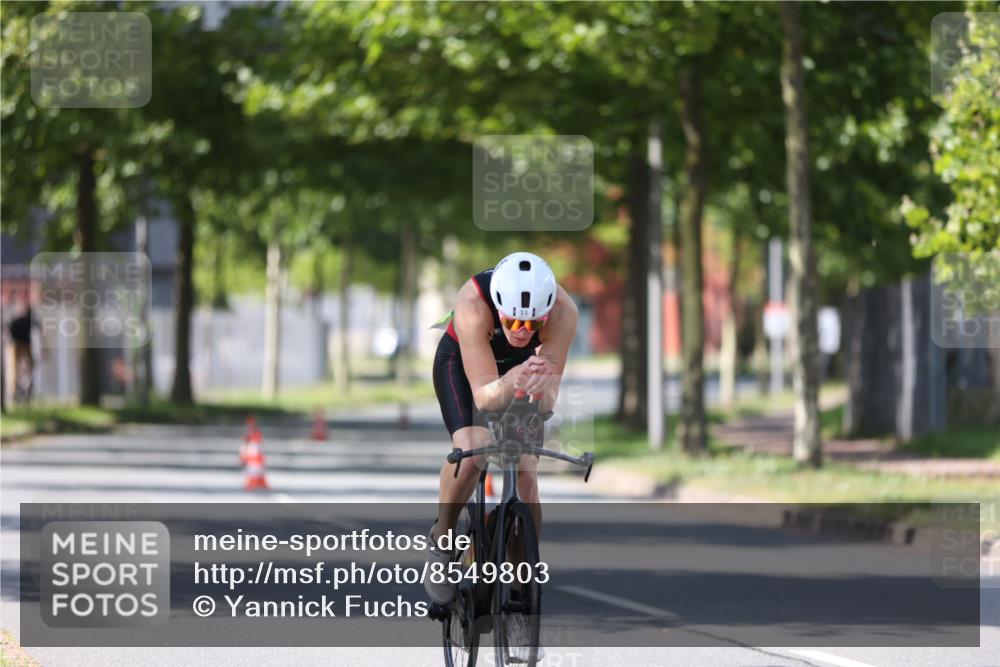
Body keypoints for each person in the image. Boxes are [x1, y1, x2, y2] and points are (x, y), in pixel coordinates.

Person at [425, 251, 578, 606]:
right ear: (498, 307)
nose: (522, 331)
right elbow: (484, 399)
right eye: (512, 322)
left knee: (527, 473)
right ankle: (442, 541)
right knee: (473, 447)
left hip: (521, 371)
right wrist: (511, 380)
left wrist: (540, 388)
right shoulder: (472, 303)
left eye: (532, 324)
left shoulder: (564, 313)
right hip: (465, 365)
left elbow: (547, 403)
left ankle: (524, 588)